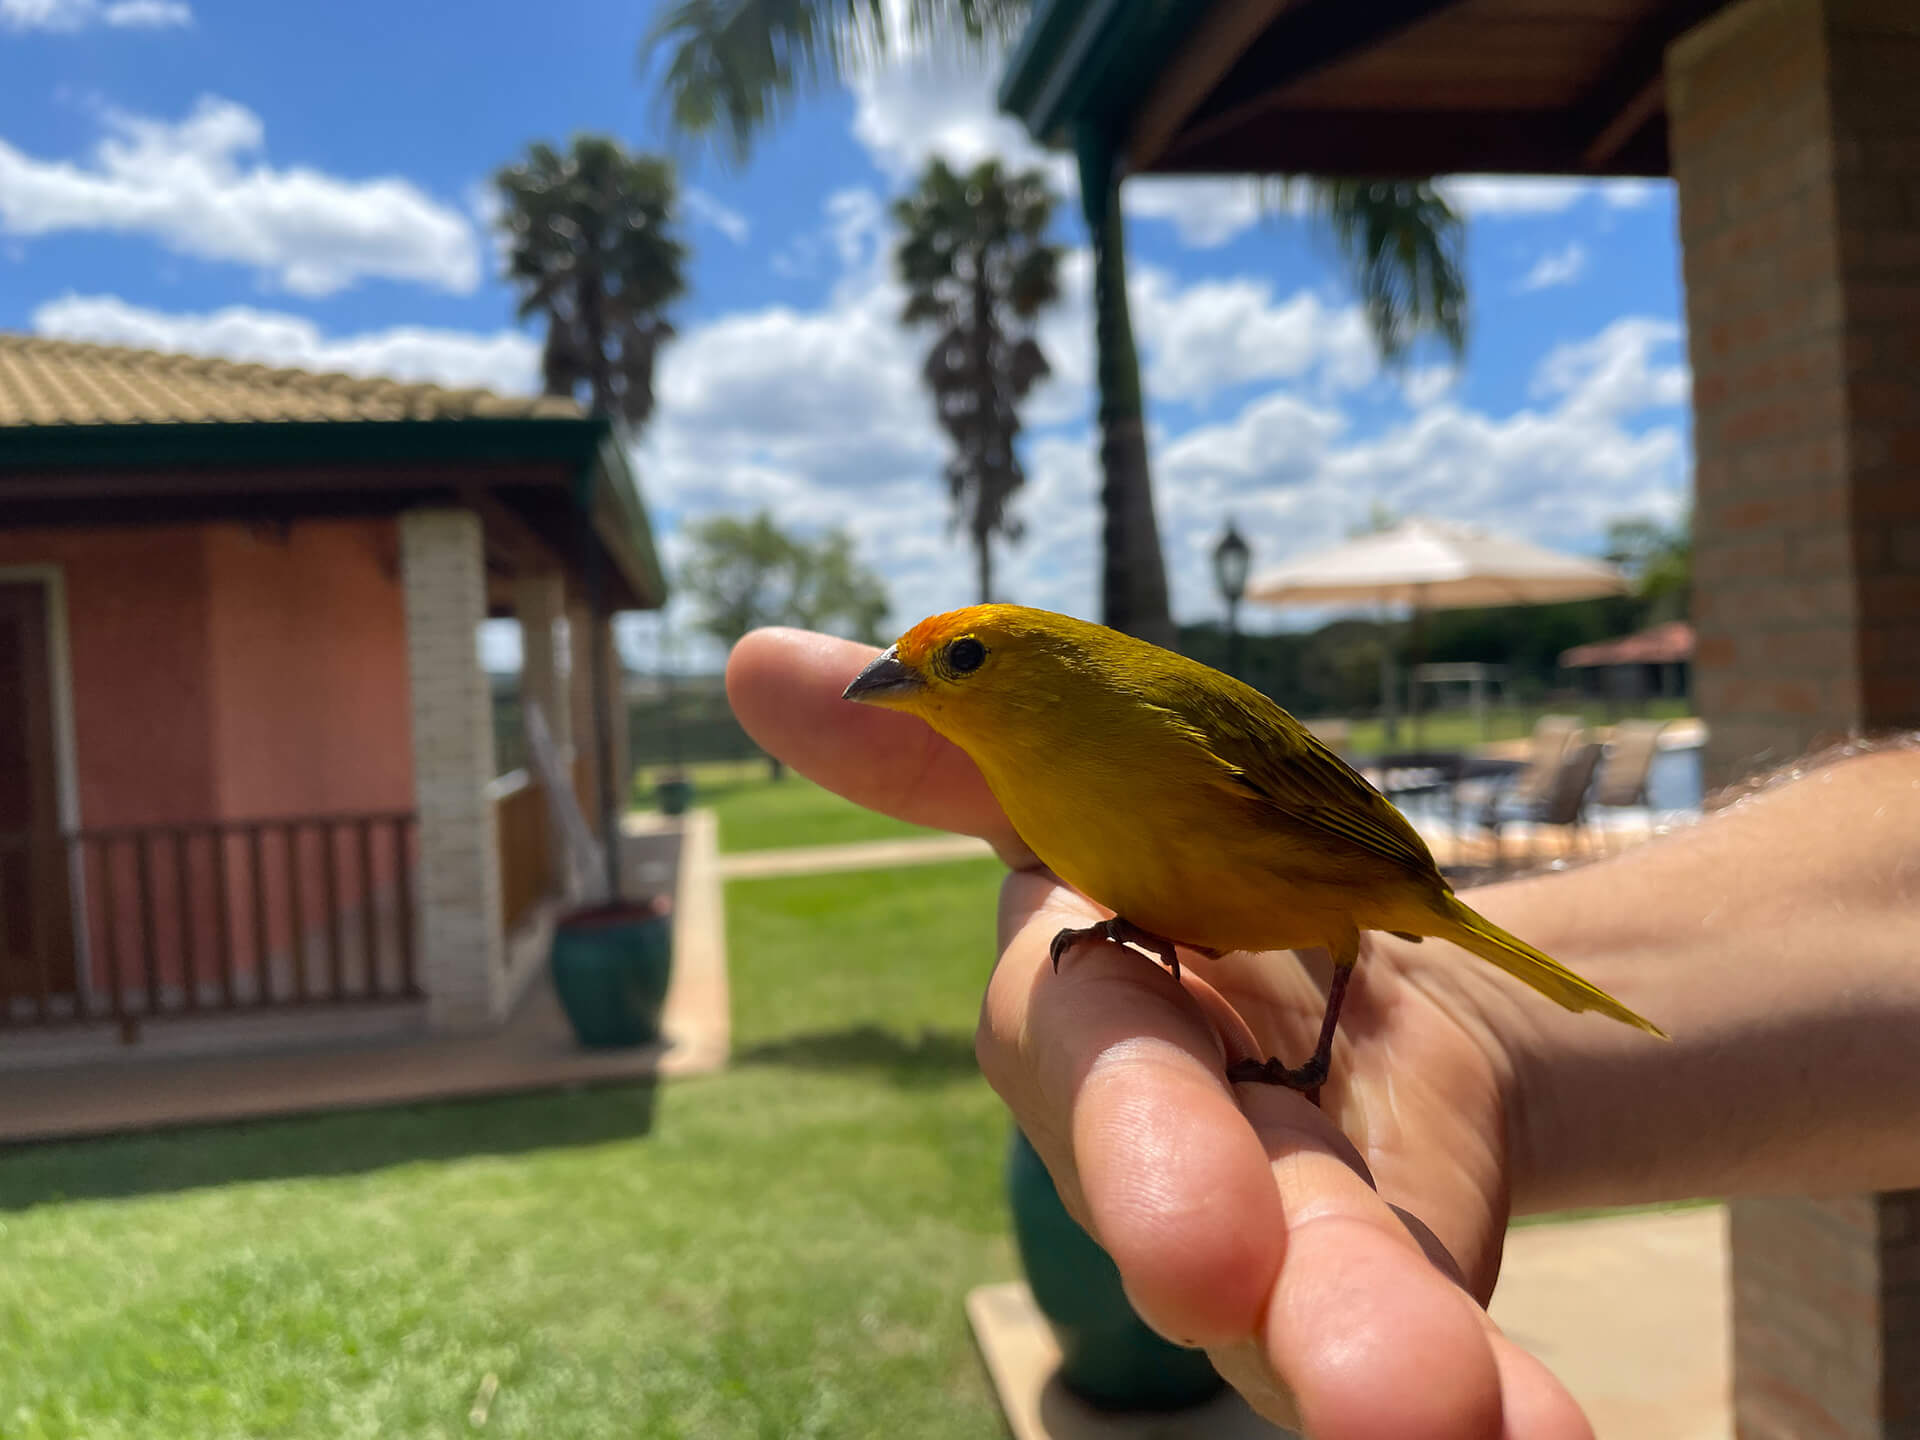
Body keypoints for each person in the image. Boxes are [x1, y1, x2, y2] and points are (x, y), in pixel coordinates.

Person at [728, 625, 1920, 1440]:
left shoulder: (1159, 719)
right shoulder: (1037, 781)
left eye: (960, 659)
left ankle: (1326, 1048)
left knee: (1355, 946)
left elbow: (1337, 816)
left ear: (1040, 665)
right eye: (921, 665)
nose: (911, 677)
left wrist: (1327, 1049)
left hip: (1367, 885)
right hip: (1227, 914)